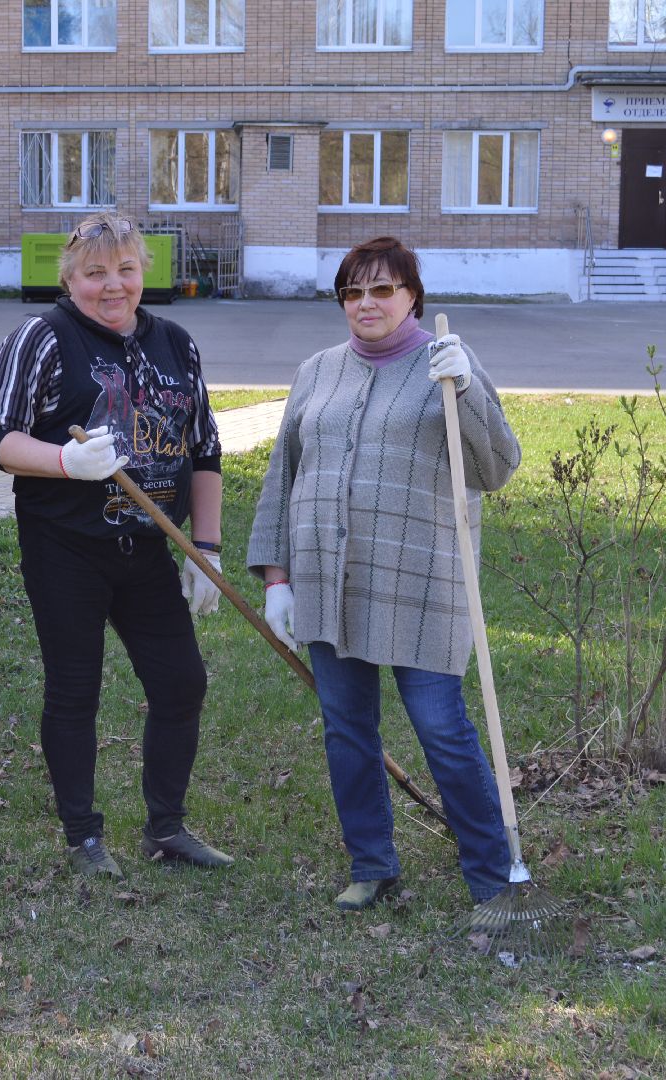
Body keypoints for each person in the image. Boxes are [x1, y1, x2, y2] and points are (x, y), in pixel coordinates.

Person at [246, 235, 521, 911]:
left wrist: (469, 387)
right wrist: (277, 578)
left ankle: (493, 872)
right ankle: (372, 864)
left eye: (382, 290)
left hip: (423, 583)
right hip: (328, 580)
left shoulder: (445, 363)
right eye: (353, 291)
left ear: (411, 297)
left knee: (441, 727)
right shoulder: (316, 370)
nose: (366, 303)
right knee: (347, 729)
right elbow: (283, 475)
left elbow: (498, 467)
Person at [0, 211, 232, 879]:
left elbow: (204, 447)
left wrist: (206, 547)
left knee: (182, 683)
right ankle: (82, 834)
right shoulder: (43, 337)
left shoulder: (176, 342)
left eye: (125, 269)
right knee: (74, 689)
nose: (111, 286)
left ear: (143, 271)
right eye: (94, 273)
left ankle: (166, 827)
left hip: (148, 547)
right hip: (66, 545)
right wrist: (65, 463)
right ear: (69, 278)